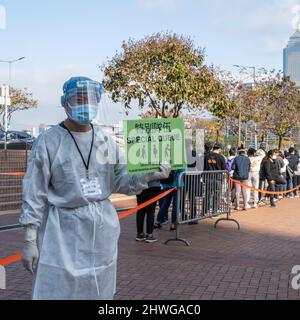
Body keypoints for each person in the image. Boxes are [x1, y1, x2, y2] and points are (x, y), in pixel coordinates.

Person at [20, 76, 170, 300]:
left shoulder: (105, 140)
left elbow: (121, 181)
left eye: (91, 99)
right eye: (80, 99)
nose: (86, 105)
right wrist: (30, 239)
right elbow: (34, 192)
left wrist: (148, 174)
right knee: (58, 289)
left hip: (101, 230)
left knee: (99, 287)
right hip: (60, 232)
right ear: (65, 102)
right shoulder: (49, 141)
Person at [203, 143, 226, 215]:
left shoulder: (206, 156)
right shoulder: (221, 157)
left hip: (208, 178)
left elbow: (203, 167)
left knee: (207, 195)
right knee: (216, 195)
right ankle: (214, 211)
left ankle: (204, 211)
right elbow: (224, 169)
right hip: (217, 179)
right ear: (219, 149)